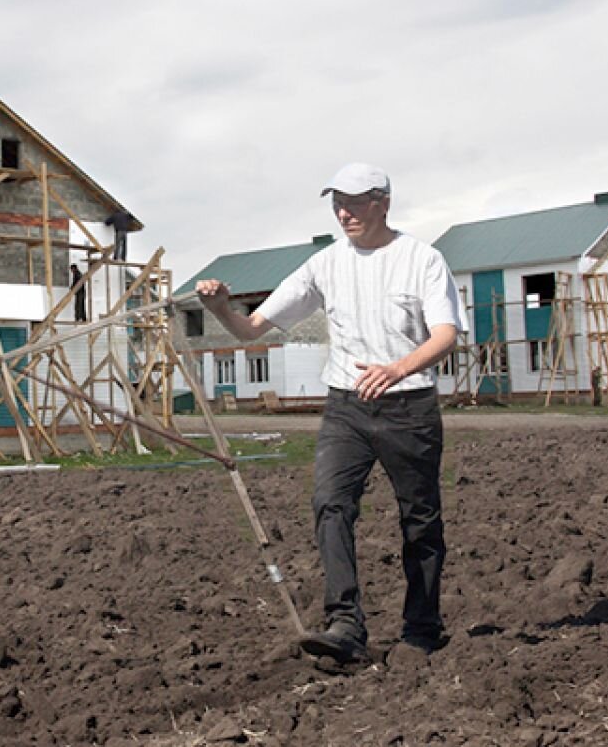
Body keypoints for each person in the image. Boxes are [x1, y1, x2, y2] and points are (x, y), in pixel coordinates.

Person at [196, 162, 466, 664]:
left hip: (409, 407)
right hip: (347, 406)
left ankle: (422, 628)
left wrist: (398, 368)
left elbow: (446, 334)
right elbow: (252, 329)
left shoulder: (421, 260)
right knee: (330, 503)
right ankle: (345, 623)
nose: (344, 211)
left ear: (383, 202)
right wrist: (220, 309)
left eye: (356, 201)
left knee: (420, 520)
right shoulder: (325, 264)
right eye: (337, 202)